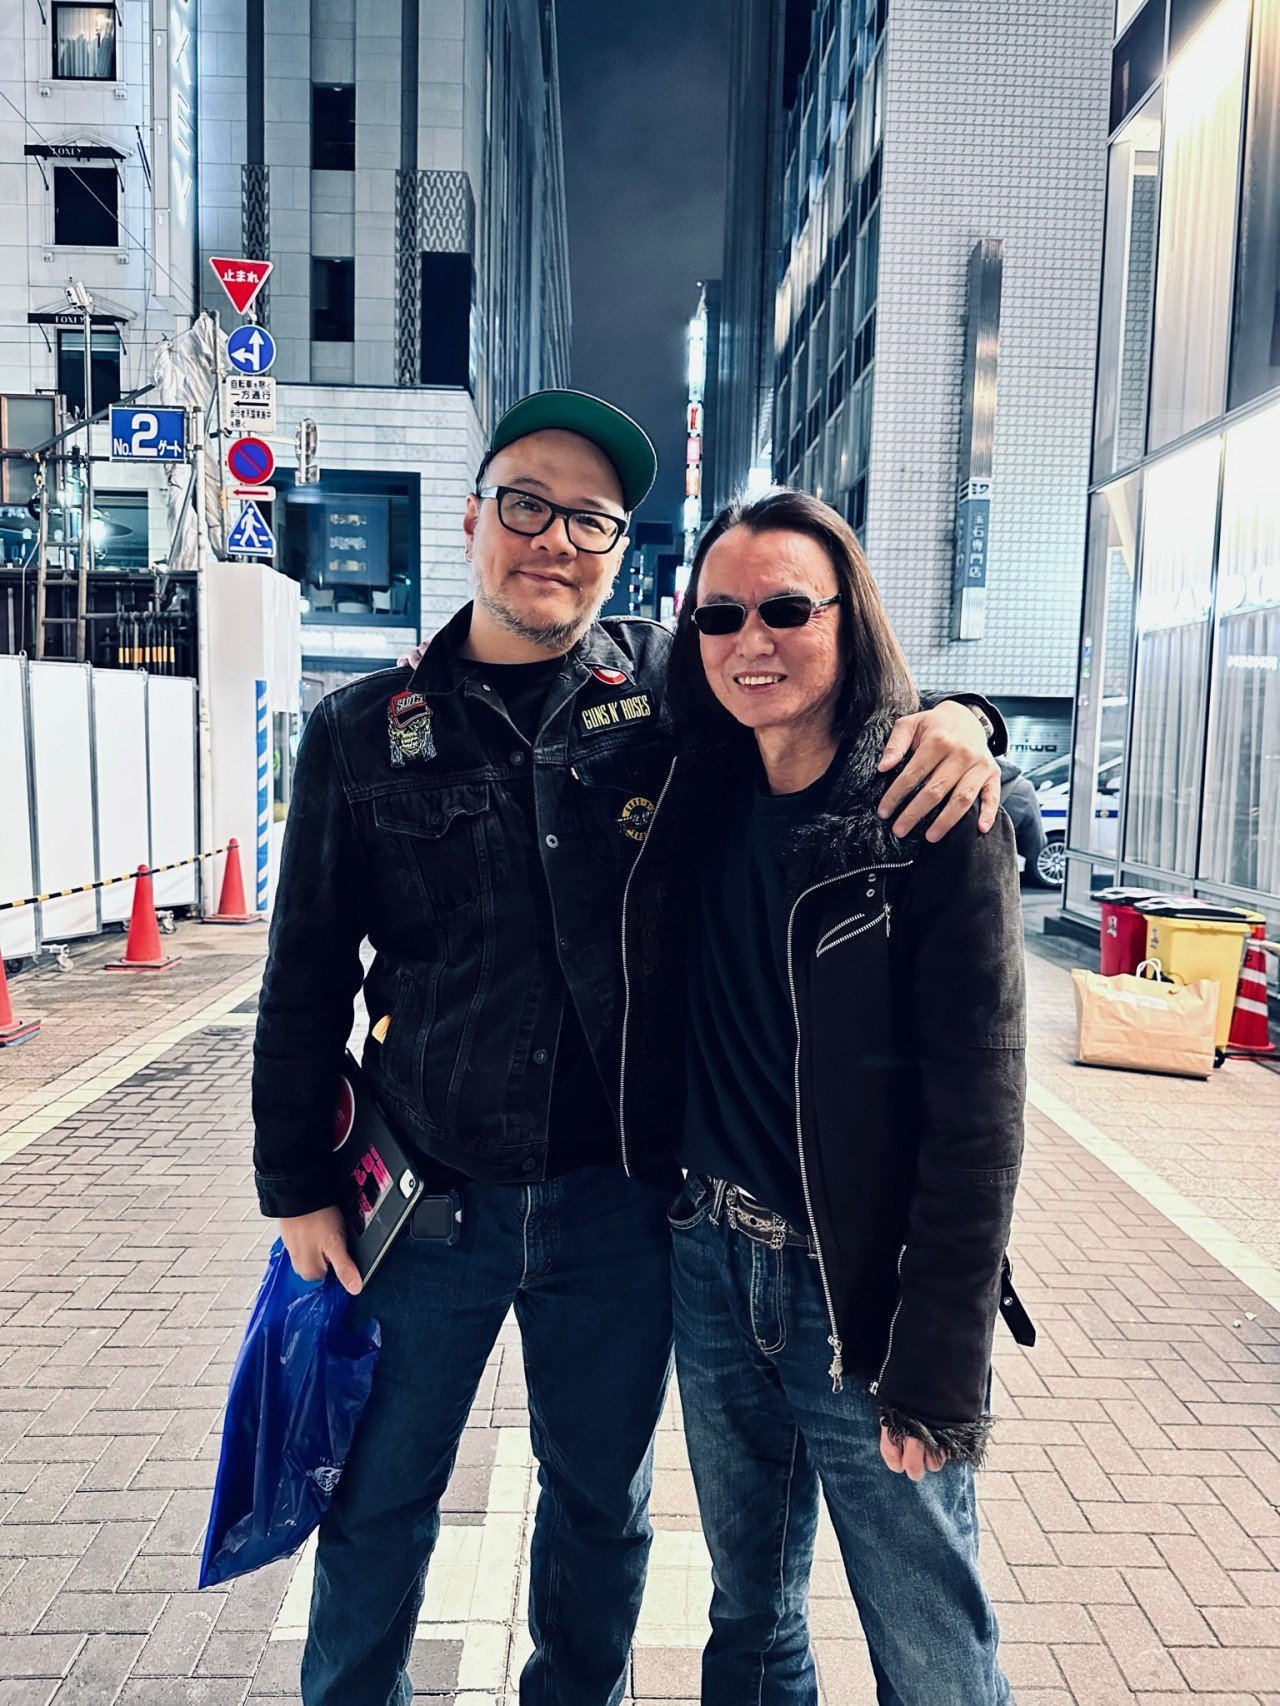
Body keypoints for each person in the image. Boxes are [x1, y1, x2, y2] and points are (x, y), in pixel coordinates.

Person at [251, 391, 1009, 1706]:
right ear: (473, 518)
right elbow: (304, 969)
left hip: (620, 1205)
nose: (554, 538)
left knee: (600, 1508)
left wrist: (966, 717)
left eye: (590, 519)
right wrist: (293, 1180)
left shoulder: (672, 695)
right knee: (376, 1500)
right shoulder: (364, 729)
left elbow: (819, 691)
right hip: (423, 1201)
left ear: (617, 548)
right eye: (527, 505)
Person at [618, 488, 1033, 1706]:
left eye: (786, 609)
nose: (750, 639)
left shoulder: (928, 814)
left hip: (863, 1289)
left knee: (930, 1646)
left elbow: (980, 1115)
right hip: (708, 1260)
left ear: (849, 615)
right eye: (718, 615)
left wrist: (938, 1357)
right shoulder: (691, 788)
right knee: (748, 1616)